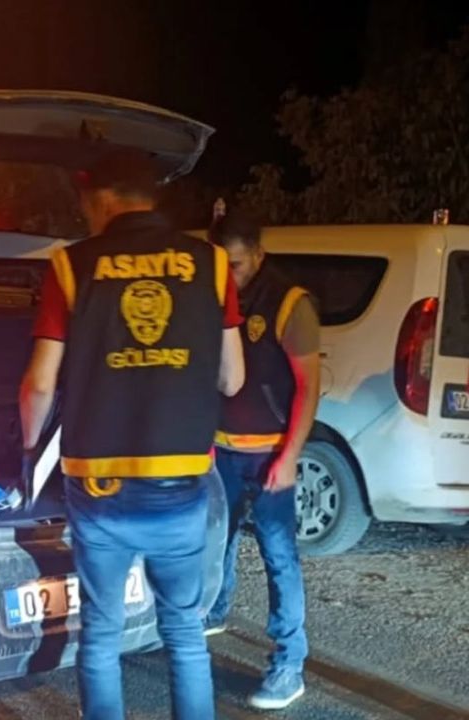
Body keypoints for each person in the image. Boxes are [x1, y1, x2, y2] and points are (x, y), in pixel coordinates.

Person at [19, 149, 245, 720]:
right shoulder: (213, 263)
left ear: (101, 200)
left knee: (101, 631)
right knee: (184, 631)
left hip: (101, 486)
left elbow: (39, 385)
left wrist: (27, 448)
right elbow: (233, 379)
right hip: (182, 483)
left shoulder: (71, 265)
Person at [204, 211, 317, 710]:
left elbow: (309, 387)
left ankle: (289, 664)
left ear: (258, 255)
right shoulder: (211, 296)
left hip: (270, 454)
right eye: (221, 265)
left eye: (237, 265)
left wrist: (289, 457)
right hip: (221, 451)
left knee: (278, 557)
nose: (229, 275)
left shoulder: (289, 303)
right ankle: (215, 612)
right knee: (216, 543)